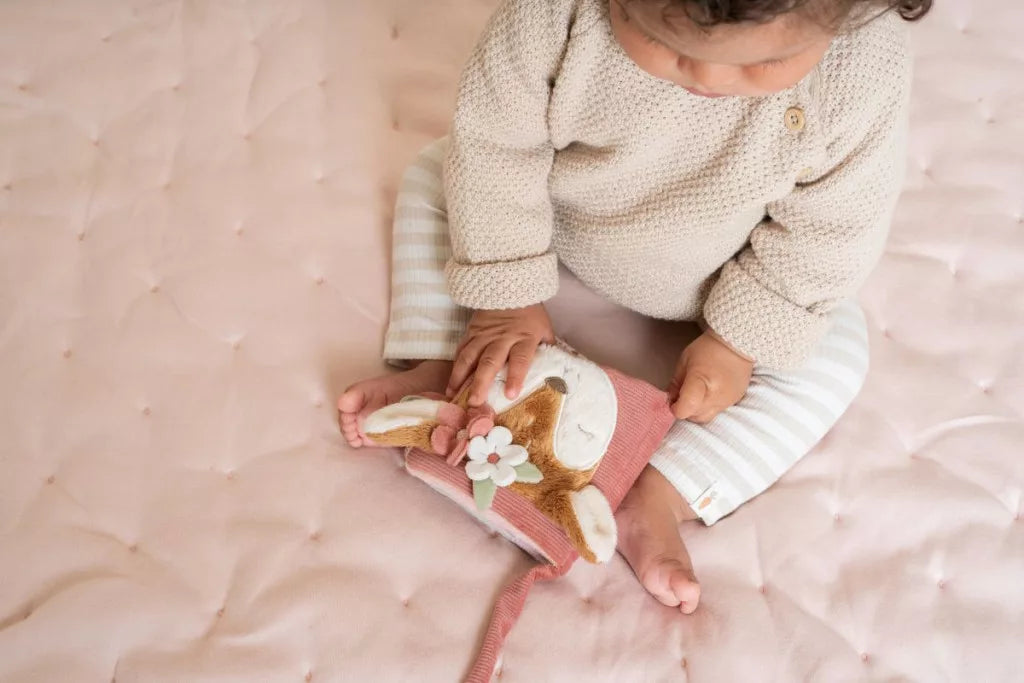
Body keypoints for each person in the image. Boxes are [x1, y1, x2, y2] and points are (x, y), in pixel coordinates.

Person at [339, 0, 931, 614]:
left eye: (769, 60)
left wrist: (737, 342)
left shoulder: (864, 61)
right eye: (665, 42)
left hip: (725, 272)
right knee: (437, 174)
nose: (710, 79)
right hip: (561, 218)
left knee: (836, 347)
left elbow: (834, 229)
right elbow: (496, 146)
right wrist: (505, 301)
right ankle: (456, 369)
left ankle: (657, 494)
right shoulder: (551, 15)